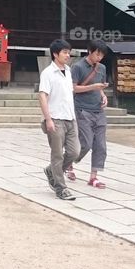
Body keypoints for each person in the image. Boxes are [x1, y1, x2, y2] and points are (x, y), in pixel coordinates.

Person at [38, 39, 79, 201]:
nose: (68, 55)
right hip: (55, 119)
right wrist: (48, 119)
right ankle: (60, 188)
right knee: (57, 155)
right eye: (64, 52)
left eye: (69, 52)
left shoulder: (68, 71)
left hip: (70, 118)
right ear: (55, 54)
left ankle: (51, 171)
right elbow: (42, 96)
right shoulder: (48, 73)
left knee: (74, 152)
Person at [69, 40, 110, 189]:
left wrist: (103, 95)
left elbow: (100, 86)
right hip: (82, 109)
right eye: (97, 54)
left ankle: (94, 176)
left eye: (102, 55)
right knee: (85, 143)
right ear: (90, 51)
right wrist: (93, 86)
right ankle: (68, 162)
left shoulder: (102, 68)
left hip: (98, 109)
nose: (99, 58)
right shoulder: (78, 67)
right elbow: (73, 88)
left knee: (100, 145)